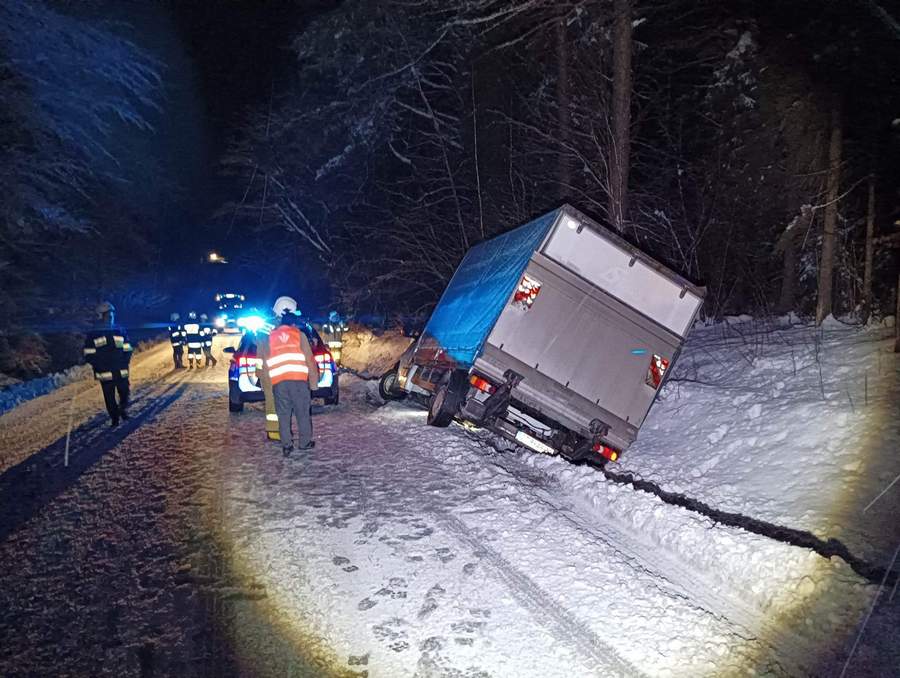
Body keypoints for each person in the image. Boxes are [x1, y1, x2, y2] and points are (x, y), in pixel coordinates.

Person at [258, 296, 319, 457]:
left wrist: (265, 383)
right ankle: (304, 443)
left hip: (279, 383)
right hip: (299, 382)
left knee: (283, 415)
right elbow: (309, 360)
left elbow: (263, 361)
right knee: (302, 413)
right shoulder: (299, 335)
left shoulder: (270, 336)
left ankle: (286, 445)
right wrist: (313, 383)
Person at [83, 301, 133, 427]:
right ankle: (115, 418)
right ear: (101, 316)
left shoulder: (119, 330)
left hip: (121, 369)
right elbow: (88, 353)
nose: (110, 317)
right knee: (109, 397)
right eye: (107, 314)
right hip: (105, 372)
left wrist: (125, 361)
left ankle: (123, 410)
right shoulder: (94, 333)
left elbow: (127, 348)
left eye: (112, 314)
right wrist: (99, 365)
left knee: (125, 393)